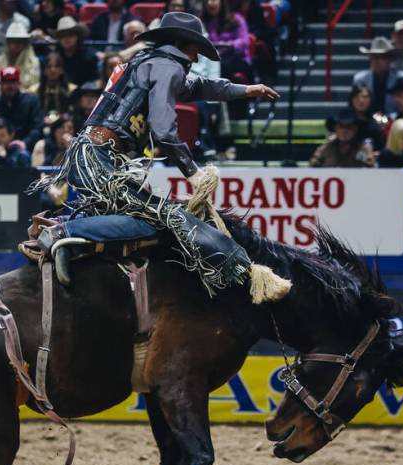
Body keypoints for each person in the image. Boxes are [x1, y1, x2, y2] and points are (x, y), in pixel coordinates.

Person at [33, 12, 285, 297]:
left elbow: (198, 87)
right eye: (195, 49)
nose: (197, 58)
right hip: (102, 159)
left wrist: (245, 90)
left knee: (138, 219)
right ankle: (63, 232)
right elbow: (164, 131)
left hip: (93, 155)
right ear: (182, 43)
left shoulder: (150, 62)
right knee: (156, 219)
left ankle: (72, 242)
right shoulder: (168, 68)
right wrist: (194, 173)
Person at [0, 66, 45, 150]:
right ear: (0, 84)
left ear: (19, 83)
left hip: (25, 148)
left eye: (13, 82)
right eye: (6, 82)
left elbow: (37, 128)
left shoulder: (32, 102)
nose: (10, 86)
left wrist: (25, 143)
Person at [353, 37, 403, 115]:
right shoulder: (360, 79)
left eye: (381, 57)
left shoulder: (401, 79)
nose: (376, 61)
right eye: (373, 57)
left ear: (390, 59)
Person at [202, 0, 251, 81]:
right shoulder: (203, 22)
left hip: (235, 58)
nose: (209, 3)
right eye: (206, 1)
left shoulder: (236, 19)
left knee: (221, 65)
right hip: (211, 59)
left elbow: (244, 41)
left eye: (213, 0)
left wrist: (229, 45)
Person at [0, 23, 41, 92]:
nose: (16, 44)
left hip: (26, 98)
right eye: (12, 41)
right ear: (7, 42)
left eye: (19, 41)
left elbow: (36, 85)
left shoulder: (34, 62)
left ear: (25, 43)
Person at [54, 17, 99, 87]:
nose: (66, 38)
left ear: (77, 36)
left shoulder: (89, 57)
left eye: (70, 34)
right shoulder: (55, 58)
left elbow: (93, 82)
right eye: (62, 35)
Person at [347, 84, 386, 149]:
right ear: (351, 99)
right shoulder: (344, 120)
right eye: (356, 97)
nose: (361, 100)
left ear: (371, 100)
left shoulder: (379, 121)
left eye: (365, 97)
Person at [36, 52, 75, 118]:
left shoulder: (72, 89)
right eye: (49, 66)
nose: (53, 70)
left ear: (61, 70)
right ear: (44, 70)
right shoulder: (33, 90)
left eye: (56, 66)